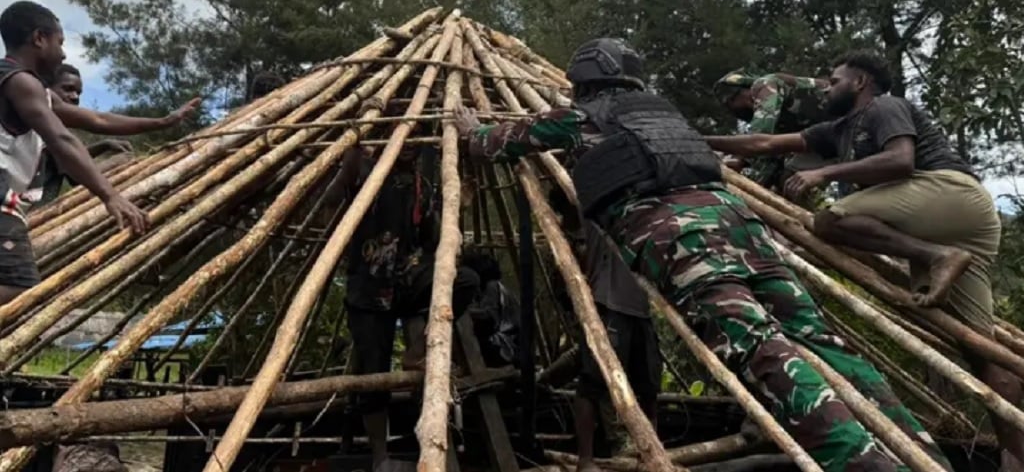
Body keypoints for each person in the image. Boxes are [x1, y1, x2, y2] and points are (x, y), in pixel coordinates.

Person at [454, 38, 951, 472]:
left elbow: (494, 143)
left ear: (584, 79)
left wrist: (472, 127)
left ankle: (865, 465)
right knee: (822, 343)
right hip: (743, 228)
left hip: (682, 240)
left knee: (760, 351)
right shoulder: (663, 115)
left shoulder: (579, 117)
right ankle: (924, 456)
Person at [705, 50, 1024, 470]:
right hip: (950, 225)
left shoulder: (884, 108)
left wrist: (824, 173)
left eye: (835, 81)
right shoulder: (835, 129)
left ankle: (940, 256)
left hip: (949, 194)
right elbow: (764, 143)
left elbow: (901, 160)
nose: (826, 88)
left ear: (860, 82)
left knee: (832, 219)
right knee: (983, 354)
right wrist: (698, 141)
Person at [0, 1, 194, 305]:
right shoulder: (20, 81)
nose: (63, 53)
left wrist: (161, 122)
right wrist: (110, 195)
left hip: (8, 200)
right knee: (21, 290)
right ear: (39, 38)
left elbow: (97, 120)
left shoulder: (33, 89)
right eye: (60, 42)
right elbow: (61, 138)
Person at [338, 139, 480, 471]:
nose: (409, 144)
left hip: (405, 282)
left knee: (465, 281)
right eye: (405, 134)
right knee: (373, 372)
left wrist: (456, 210)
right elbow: (334, 197)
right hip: (369, 290)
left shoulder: (422, 186)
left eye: (417, 137)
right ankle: (380, 458)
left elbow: (433, 240)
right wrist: (351, 155)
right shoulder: (367, 171)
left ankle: (416, 352)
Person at [548, 185, 661, 472]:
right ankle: (585, 459)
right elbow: (571, 196)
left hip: (639, 307)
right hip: (609, 304)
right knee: (594, 382)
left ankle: (651, 453)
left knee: (648, 385)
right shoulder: (595, 211)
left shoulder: (639, 212)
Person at [35, 64, 197, 206]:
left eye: (78, 92)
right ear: (49, 90)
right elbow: (77, 173)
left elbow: (66, 158)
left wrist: (103, 145)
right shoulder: (38, 126)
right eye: (68, 89)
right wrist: (120, 161)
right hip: (25, 215)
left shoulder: (52, 127)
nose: (75, 97)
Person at [713, 70, 830, 191]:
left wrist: (739, 157)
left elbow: (760, 134)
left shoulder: (766, 84)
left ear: (746, 88)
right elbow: (770, 156)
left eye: (733, 99)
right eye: (730, 106)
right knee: (789, 180)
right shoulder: (776, 120)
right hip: (826, 139)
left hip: (839, 119)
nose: (737, 106)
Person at [462, 251, 519, 368]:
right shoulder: (497, 287)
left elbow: (489, 315)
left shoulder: (492, 286)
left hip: (504, 345)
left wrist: (465, 312)